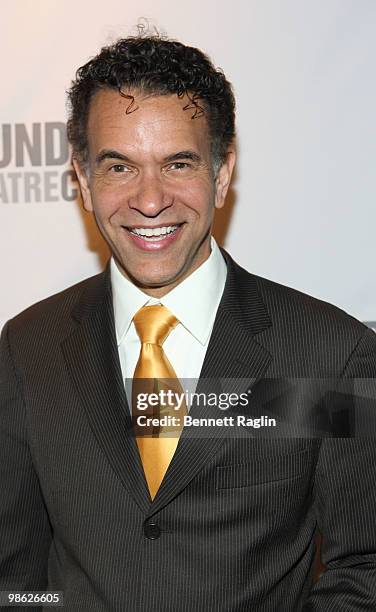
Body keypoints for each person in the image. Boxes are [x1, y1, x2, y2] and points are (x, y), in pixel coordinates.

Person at [0, 34, 375, 612]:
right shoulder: (30, 348)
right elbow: (17, 578)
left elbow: (364, 568)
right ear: (81, 177)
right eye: (119, 166)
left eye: (178, 163)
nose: (150, 200)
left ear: (223, 173)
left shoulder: (329, 354)